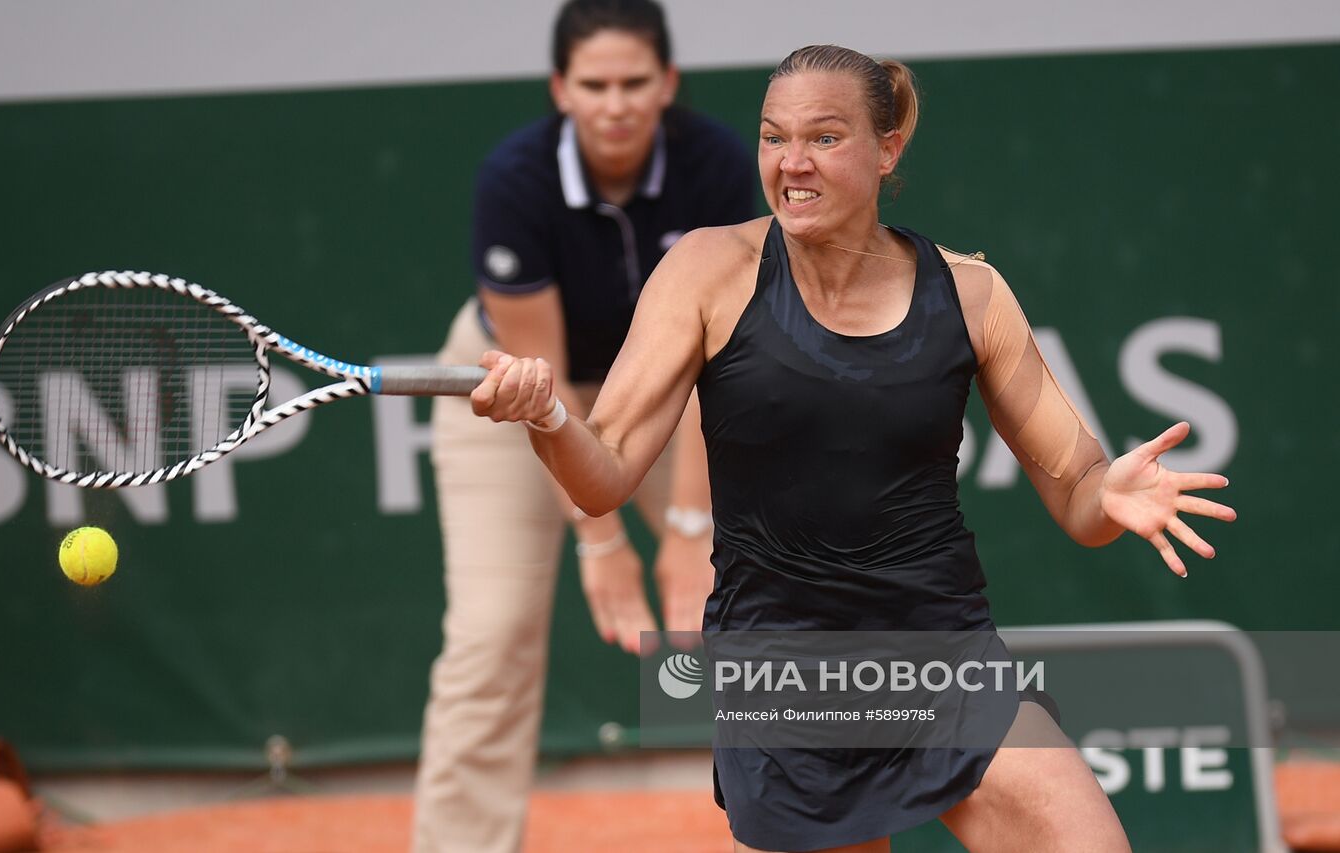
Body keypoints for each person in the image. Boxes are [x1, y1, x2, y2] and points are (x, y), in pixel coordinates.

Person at [469, 44, 1236, 853]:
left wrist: (1107, 494)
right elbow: (606, 472)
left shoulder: (971, 294)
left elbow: (1078, 492)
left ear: (887, 148)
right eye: (773, 138)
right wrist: (551, 416)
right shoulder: (705, 272)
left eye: (825, 139)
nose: (792, 163)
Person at [415, 1, 753, 850]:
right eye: (594, 84)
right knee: (489, 638)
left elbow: (722, 360)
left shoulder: (712, 164)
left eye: (635, 82)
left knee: (755, 607)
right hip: (513, 390)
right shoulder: (515, 181)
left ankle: (815, 829)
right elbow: (547, 390)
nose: (615, 104)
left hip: (671, 385)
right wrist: (600, 543)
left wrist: (687, 528)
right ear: (561, 89)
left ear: (667, 84)